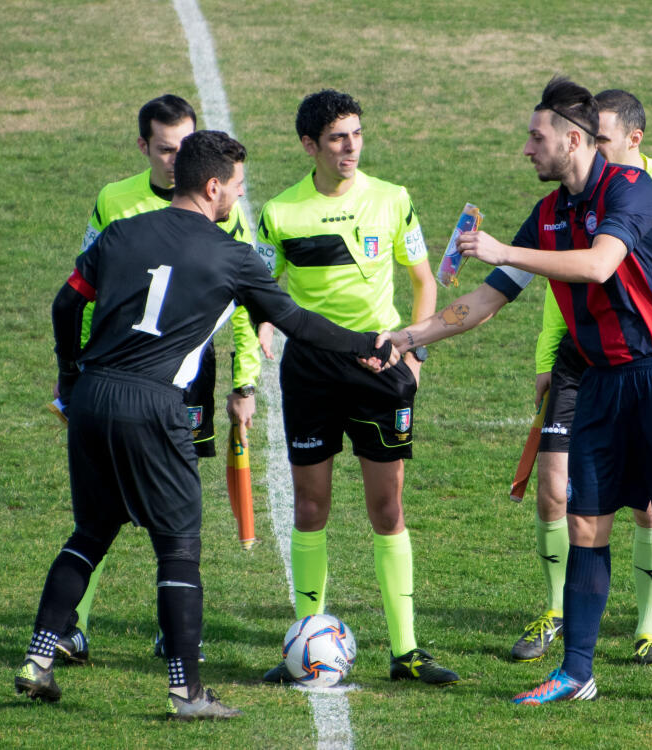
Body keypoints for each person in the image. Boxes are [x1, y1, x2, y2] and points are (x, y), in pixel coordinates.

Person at [393, 77, 652, 706]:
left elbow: (599, 263)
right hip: (601, 384)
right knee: (585, 523)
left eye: (536, 138)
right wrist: (407, 335)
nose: (527, 150)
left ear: (572, 138)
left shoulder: (632, 190)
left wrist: (506, 248)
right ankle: (576, 671)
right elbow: (484, 300)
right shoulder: (549, 214)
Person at [13, 130, 397, 720]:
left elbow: (65, 304)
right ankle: (186, 691)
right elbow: (294, 320)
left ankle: (37, 661)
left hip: (91, 398)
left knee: (89, 533)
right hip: (154, 405)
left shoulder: (120, 232)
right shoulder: (232, 255)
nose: (239, 199)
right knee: (178, 550)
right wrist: (366, 343)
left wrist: (70, 378)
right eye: (238, 188)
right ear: (213, 187)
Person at [508, 88, 652, 669]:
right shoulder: (562, 205)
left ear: (629, 139)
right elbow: (545, 282)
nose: (599, 149)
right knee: (570, 504)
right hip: (587, 363)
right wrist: (409, 339)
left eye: (605, 138)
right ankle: (568, 645)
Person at [254, 89, 457, 686]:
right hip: (311, 371)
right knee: (310, 505)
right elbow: (263, 284)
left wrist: (415, 352)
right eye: (338, 137)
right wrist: (264, 323)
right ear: (309, 145)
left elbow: (423, 282)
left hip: (379, 367)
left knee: (386, 507)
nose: (350, 147)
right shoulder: (281, 212)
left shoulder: (392, 199)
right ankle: (305, 641)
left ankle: (407, 651)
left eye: (357, 134)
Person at [55, 94, 262, 665]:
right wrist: (80, 369)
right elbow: (83, 292)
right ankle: (75, 628)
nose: (177, 159)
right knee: (98, 515)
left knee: (175, 505)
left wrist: (244, 381)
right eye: (166, 149)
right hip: (116, 370)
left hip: (186, 369)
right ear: (144, 147)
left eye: (185, 148)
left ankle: (170, 629)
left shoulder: (224, 208)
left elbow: (244, 297)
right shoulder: (114, 201)